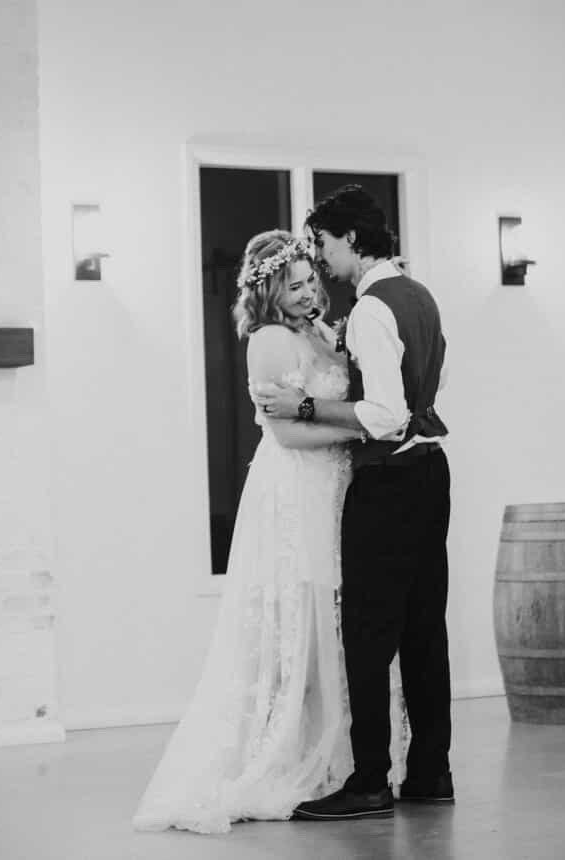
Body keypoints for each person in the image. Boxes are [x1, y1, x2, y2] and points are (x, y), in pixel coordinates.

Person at [132, 230, 407, 834]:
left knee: (338, 619)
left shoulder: (316, 333)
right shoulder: (269, 341)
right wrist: (366, 430)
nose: (311, 293)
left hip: (336, 486)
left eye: (313, 281)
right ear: (269, 291)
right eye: (296, 285)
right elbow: (287, 433)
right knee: (301, 615)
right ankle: (288, 751)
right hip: (298, 489)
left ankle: (348, 754)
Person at [254, 185, 454, 821]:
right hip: (431, 473)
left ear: (352, 240)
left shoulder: (371, 307)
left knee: (367, 635)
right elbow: (430, 381)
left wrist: (308, 406)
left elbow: (385, 415)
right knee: (425, 630)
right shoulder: (418, 295)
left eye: (324, 243)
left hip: (389, 482)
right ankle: (430, 772)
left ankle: (369, 780)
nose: (322, 257)